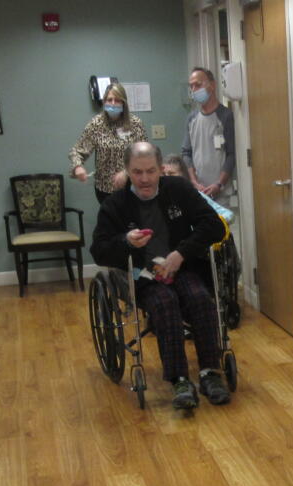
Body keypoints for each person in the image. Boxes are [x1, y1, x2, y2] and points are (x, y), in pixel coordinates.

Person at [91, 142, 230, 409]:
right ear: (127, 170)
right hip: (143, 277)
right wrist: (125, 241)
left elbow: (214, 226)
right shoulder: (114, 205)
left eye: (151, 171)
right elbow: (99, 251)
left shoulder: (178, 190)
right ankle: (180, 380)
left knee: (200, 299)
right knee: (165, 303)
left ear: (161, 169)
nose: (145, 179)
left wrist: (181, 253)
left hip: (182, 267)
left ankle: (210, 373)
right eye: (137, 172)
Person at [70, 82, 148, 204]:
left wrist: (127, 172)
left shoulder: (135, 124)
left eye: (117, 100)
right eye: (109, 100)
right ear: (104, 101)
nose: (113, 103)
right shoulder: (96, 124)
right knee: (109, 216)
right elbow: (77, 150)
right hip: (104, 188)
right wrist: (78, 166)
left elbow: (144, 155)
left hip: (131, 186)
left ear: (123, 103)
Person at [181, 68, 236, 200]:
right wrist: (193, 181)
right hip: (199, 191)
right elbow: (186, 153)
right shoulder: (191, 119)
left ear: (212, 85)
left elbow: (231, 154)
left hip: (222, 193)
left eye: (198, 85)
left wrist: (219, 184)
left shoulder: (226, 116)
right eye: (191, 86)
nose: (194, 90)